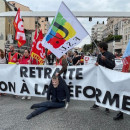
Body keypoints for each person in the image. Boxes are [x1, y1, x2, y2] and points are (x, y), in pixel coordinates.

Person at [90, 42, 115, 113]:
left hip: (108, 76)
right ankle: (97, 103)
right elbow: (98, 64)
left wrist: (105, 60)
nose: (98, 48)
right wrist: (97, 64)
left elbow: (112, 65)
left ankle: (107, 106)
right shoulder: (99, 55)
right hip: (100, 76)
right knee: (98, 89)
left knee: (107, 90)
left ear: (102, 48)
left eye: (99, 47)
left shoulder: (110, 55)